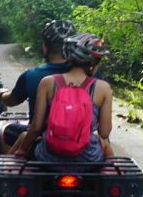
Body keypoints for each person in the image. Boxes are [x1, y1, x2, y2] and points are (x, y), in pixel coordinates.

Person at [12, 33, 115, 161]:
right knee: (107, 151)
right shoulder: (103, 88)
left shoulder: (48, 83)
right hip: (88, 157)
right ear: (95, 62)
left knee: (17, 158)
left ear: (67, 55)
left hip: (48, 155)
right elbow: (104, 132)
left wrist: (22, 150)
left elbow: (36, 127)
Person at [0, 19, 76, 153]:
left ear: (45, 47)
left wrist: (2, 94)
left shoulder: (32, 76)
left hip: (40, 139)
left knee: (6, 131)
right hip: (81, 141)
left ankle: (10, 168)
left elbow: (13, 101)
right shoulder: (91, 77)